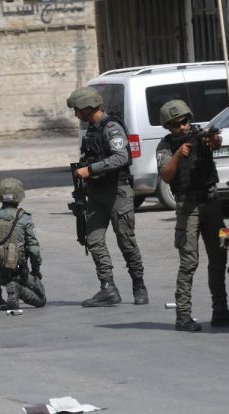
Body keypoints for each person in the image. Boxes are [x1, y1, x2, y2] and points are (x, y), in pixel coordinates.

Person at [155, 100, 229, 331]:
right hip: (187, 207)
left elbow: (215, 143)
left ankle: (221, 311)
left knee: (218, 259)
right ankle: (183, 316)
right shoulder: (165, 146)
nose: (183, 127)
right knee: (189, 262)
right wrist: (178, 155)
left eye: (185, 121)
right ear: (168, 127)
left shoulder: (201, 135)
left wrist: (214, 140)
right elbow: (166, 175)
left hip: (211, 203)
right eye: (176, 125)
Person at [66, 87, 149, 307]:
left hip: (117, 191)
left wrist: (90, 170)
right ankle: (108, 288)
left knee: (126, 241)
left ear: (87, 107)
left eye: (77, 110)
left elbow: (121, 157)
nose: (76, 114)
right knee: (93, 240)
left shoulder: (112, 128)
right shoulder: (91, 130)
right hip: (96, 193)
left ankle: (139, 285)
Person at [0, 178, 46, 309]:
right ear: (19, 195)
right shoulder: (24, 218)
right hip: (14, 273)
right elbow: (34, 250)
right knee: (41, 298)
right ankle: (17, 289)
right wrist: (36, 270)